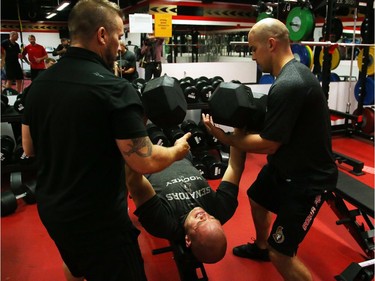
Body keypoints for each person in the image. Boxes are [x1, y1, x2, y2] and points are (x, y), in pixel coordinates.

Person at [21, 1, 191, 280]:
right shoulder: (113, 89)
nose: (121, 46)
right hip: (99, 222)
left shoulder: (39, 84)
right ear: (102, 35)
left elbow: (29, 147)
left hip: (54, 211)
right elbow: (144, 159)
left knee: (78, 267)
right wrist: (175, 150)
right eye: (119, 37)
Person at [202, 18, 338, 281]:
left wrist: (226, 138)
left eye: (253, 49)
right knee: (257, 198)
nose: (252, 56)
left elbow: (268, 143)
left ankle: (271, 249)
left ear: (271, 44)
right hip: (285, 166)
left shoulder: (290, 83)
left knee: (282, 253)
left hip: (309, 179)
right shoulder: (287, 77)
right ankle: (261, 247)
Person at [125, 138, 246, 264]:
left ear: (187, 239)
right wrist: (238, 131)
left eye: (200, 222)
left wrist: (136, 132)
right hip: (183, 154)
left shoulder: (163, 223)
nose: (204, 214)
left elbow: (134, 180)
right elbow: (235, 166)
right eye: (212, 217)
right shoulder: (222, 209)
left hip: (151, 157)